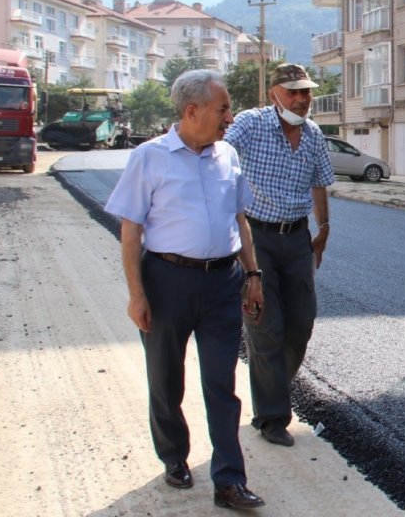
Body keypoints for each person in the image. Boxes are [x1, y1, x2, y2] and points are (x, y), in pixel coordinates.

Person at [104, 70, 266, 510]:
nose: (229, 117)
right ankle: (174, 456)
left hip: (222, 282)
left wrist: (253, 276)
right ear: (192, 111)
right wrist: (137, 294)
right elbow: (131, 231)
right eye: (223, 108)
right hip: (167, 281)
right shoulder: (148, 157)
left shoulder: (228, 155)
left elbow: (240, 221)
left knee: (221, 382)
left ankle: (229, 479)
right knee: (166, 376)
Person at [225, 62, 334, 448]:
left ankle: (270, 386)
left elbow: (320, 182)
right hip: (257, 238)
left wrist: (324, 228)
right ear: (275, 93)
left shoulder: (314, 135)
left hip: (297, 240)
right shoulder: (252, 124)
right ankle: (272, 416)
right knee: (266, 326)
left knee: (302, 322)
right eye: (294, 92)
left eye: (306, 92)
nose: (303, 99)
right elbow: (222, 149)